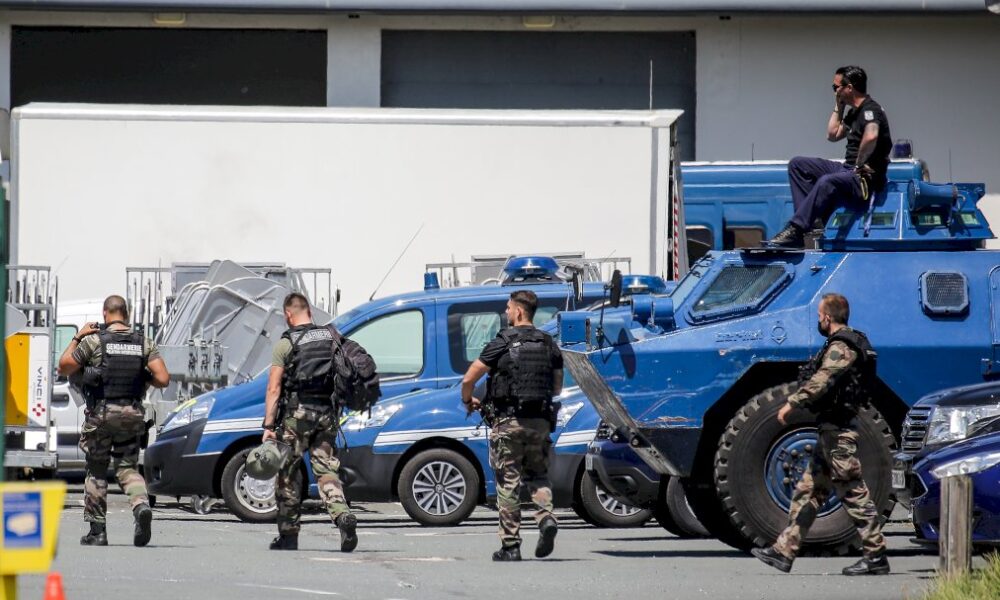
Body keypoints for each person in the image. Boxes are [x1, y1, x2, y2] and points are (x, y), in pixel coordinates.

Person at [752, 293, 889, 576]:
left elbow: (823, 379)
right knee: (808, 491)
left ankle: (875, 556)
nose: (818, 320)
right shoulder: (843, 342)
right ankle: (784, 550)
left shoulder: (842, 346)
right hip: (830, 432)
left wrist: (793, 402)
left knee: (853, 493)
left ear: (828, 317)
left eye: (819, 315)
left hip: (839, 435)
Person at [58, 294, 169, 547]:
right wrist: (142, 377)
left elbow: (64, 367)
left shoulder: (94, 341)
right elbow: (163, 379)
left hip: (102, 415)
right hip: (131, 414)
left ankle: (98, 532)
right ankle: (140, 505)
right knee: (128, 467)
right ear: (126, 314)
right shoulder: (144, 342)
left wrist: (78, 337)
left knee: (97, 470)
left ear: (105, 313)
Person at [461, 290, 563, 561]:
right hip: (540, 422)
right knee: (539, 476)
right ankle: (546, 519)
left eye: (508, 308)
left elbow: (469, 379)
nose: (506, 313)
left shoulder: (502, 342)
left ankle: (511, 546)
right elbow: (557, 386)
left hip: (508, 423)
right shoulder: (549, 343)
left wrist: (468, 400)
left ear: (519, 311)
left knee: (508, 483)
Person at [262, 292, 357, 552]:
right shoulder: (329, 337)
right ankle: (341, 515)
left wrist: (268, 427)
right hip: (327, 414)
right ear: (310, 312)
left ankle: (288, 536)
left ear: (288, 315)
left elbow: (273, 388)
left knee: (287, 475)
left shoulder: (286, 343)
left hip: (297, 417)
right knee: (326, 470)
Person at [766, 66, 893, 248]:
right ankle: (813, 221)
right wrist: (839, 106)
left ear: (849, 88)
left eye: (836, 88)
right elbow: (832, 134)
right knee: (798, 164)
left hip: (865, 178)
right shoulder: (854, 112)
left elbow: (872, 135)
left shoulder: (870, 110)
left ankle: (796, 229)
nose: (835, 92)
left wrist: (859, 163)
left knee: (827, 181)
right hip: (848, 169)